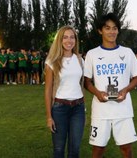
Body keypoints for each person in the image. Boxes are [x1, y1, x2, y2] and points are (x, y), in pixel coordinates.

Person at [84, 13, 137, 158]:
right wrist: (98, 93)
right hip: (101, 111)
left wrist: (125, 89)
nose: (111, 32)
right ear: (100, 30)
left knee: (126, 150)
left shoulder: (127, 52)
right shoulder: (92, 54)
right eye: (107, 28)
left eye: (115, 28)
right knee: (98, 150)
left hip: (123, 109)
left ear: (118, 30)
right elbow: (87, 82)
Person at [44, 25, 85, 158]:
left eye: (72, 37)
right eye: (65, 37)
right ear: (60, 40)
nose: (69, 40)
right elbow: (48, 90)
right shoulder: (52, 61)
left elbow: (82, 83)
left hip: (78, 109)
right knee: (59, 150)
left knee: (75, 150)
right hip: (59, 109)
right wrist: (49, 117)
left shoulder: (80, 60)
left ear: (76, 40)